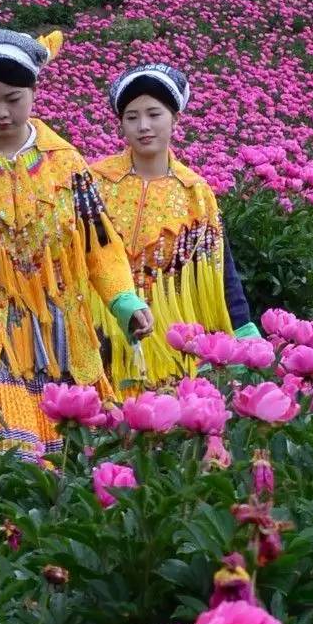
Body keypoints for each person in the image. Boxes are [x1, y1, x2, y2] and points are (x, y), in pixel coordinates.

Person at [0, 22, 153, 524]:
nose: (1, 112)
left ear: (33, 92)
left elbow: (100, 245)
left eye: (13, 98)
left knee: (71, 459)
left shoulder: (66, 166)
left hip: (61, 333)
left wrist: (125, 302)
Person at [90, 63, 260, 392]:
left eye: (154, 114)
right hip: (100, 328)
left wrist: (243, 330)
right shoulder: (95, 181)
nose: (143, 126)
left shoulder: (194, 192)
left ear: (175, 118)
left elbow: (220, 271)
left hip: (167, 334)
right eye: (131, 117)